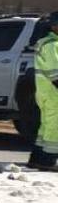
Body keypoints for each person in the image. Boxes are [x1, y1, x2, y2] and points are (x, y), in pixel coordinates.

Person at [29, 12, 58, 171]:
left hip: (46, 92)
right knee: (54, 127)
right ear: (54, 26)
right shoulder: (52, 45)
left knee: (46, 127)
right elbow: (55, 72)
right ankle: (49, 161)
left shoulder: (47, 43)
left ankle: (37, 158)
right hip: (53, 93)